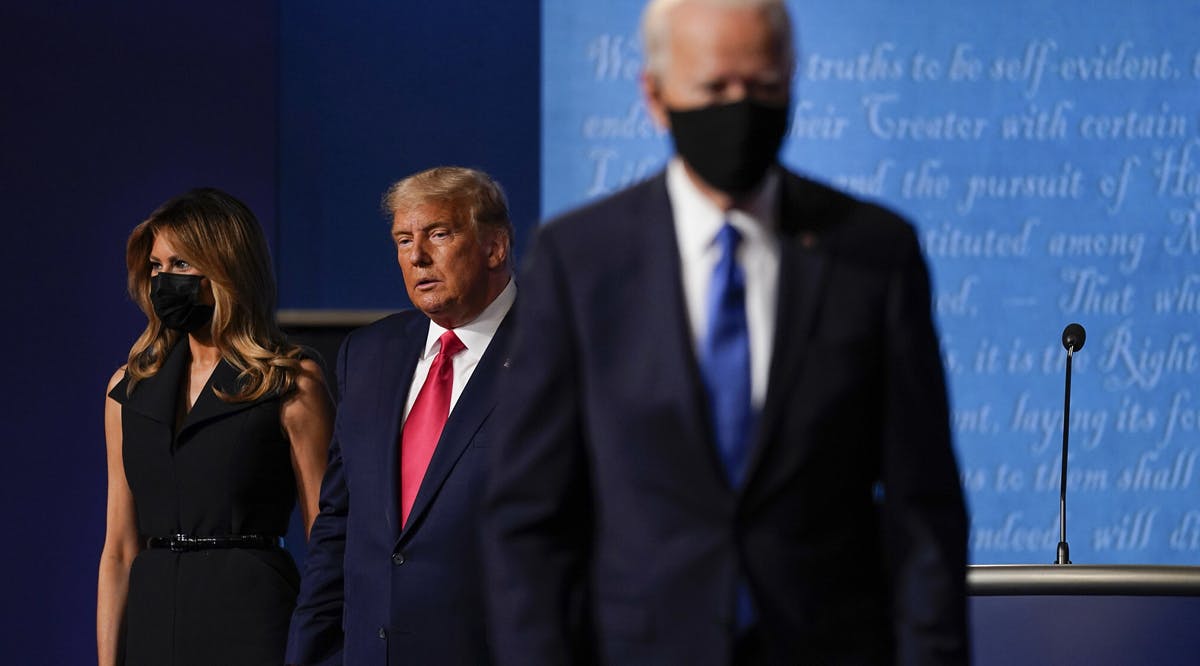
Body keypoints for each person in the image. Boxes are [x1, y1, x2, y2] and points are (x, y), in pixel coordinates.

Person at [484, 0, 969, 664]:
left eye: (764, 87)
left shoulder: (874, 254)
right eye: (715, 88)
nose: (741, 108)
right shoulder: (580, 261)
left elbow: (925, 510)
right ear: (655, 96)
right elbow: (528, 519)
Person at [286, 166, 517, 665]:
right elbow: (337, 528)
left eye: (439, 234)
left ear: (495, 246)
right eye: (403, 240)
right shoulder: (368, 355)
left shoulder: (561, 350)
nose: (417, 257)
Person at [97, 188, 334, 665]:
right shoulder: (129, 388)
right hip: (153, 626)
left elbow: (327, 538)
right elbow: (120, 549)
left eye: (181, 265)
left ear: (226, 269)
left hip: (254, 621)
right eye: (157, 268)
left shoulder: (289, 381)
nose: (165, 281)